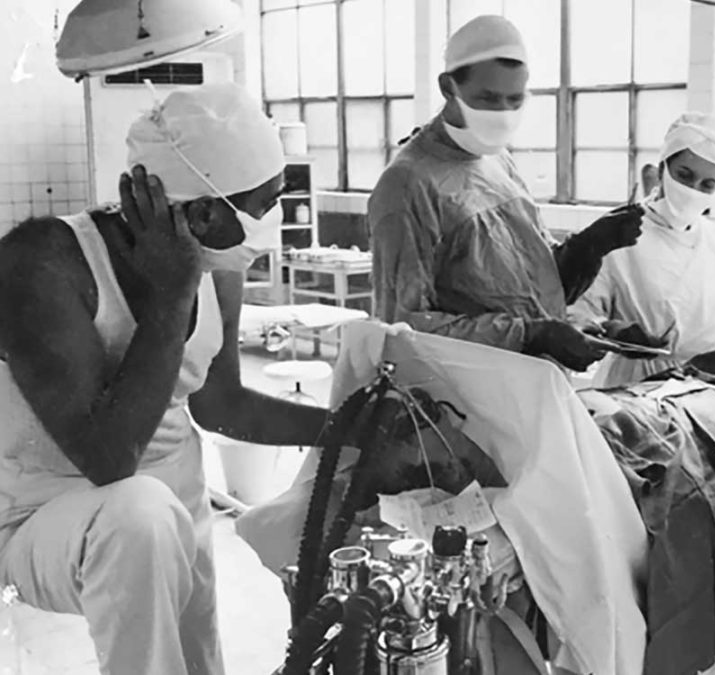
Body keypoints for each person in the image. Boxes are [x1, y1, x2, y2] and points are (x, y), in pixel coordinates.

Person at [0, 83, 341, 675]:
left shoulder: (215, 264)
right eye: (265, 202)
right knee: (142, 513)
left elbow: (221, 403)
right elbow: (108, 460)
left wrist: (351, 426)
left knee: (195, 656)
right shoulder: (41, 265)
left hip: (174, 515)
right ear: (203, 213)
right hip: (44, 521)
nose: (275, 219)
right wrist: (170, 295)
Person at [369, 15, 647, 373]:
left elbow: (532, 290)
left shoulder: (497, 159)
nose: (501, 115)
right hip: (465, 399)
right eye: (487, 99)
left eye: (514, 100)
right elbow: (402, 328)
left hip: (532, 385)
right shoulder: (408, 185)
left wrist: (588, 248)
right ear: (447, 86)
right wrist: (530, 335)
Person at [569, 113, 715, 388]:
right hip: (631, 385)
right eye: (684, 176)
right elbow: (577, 313)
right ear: (663, 168)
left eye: (707, 185)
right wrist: (612, 331)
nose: (692, 190)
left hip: (702, 386)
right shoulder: (619, 233)